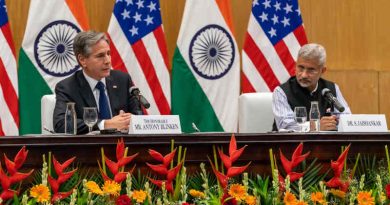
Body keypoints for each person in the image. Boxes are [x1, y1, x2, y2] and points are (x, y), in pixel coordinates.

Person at [53, 31, 141, 134]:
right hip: (88, 148)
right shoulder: (67, 87)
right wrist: (105, 124)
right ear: (82, 60)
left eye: (108, 53)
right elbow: (61, 124)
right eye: (100, 56)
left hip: (123, 146)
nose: (107, 60)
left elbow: (139, 116)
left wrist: (132, 120)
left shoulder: (122, 79)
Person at [272, 43, 351, 131]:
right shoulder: (282, 92)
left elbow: (347, 119)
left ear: (322, 70)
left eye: (311, 70)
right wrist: (316, 127)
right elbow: (285, 126)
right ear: (296, 65)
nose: (304, 75)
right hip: (292, 144)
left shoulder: (331, 89)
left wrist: (334, 123)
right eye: (300, 68)